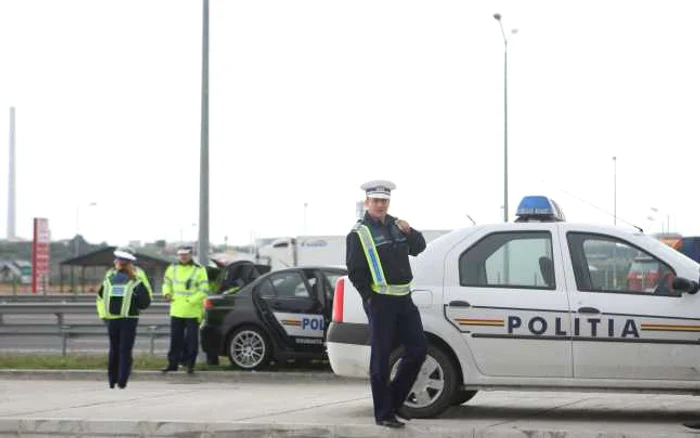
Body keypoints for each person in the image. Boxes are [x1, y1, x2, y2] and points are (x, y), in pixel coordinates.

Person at [345, 179, 428, 428]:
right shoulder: (359, 233)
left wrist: (409, 232)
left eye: (384, 200)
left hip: (404, 298)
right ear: (367, 203)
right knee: (380, 358)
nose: (380, 205)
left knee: (418, 349)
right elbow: (355, 271)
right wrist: (369, 298)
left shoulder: (396, 225)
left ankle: (393, 401)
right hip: (380, 301)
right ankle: (384, 414)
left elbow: (419, 247)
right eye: (376, 201)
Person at [96, 248, 151, 389]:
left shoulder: (109, 279)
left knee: (113, 349)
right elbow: (145, 301)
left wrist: (104, 315)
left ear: (117, 263)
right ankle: (122, 380)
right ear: (130, 263)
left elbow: (101, 297)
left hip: (112, 318)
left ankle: (111, 380)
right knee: (125, 350)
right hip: (130, 318)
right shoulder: (136, 279)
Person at [161, 245, 209, 374]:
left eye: (185, 254)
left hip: (192, 311)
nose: (182, 257)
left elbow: (203, 290)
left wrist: (190, 301)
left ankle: (190, 365)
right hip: (176, 309)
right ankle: (173, 364)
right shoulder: (172, 268)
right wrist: (166, 293)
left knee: (191, 341)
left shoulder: (199, 270)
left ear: (190, 255)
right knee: (175, 339)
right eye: (180, 254)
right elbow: (166, 283)